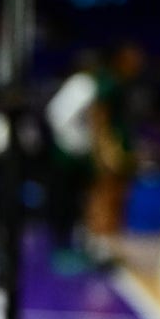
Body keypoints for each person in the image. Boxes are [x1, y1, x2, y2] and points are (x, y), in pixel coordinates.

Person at [85, 41, 145, 265]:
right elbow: (98, 116)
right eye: (133, 56)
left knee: (117, 195)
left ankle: (109, 245)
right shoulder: (109, 82)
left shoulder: (123, 83)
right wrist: (105, 148)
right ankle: (98, 244)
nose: (139, 61)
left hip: (122, 145)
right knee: (105, 194)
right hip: (112, 147)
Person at [45, 51, 99, 272]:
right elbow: (58, 115)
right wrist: (77, 145)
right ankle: (64, 250)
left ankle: (69, 247)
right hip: (70, 156)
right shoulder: (84, 85)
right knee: (69, 203)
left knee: (72, 203)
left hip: (69, 153)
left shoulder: (75, 84)